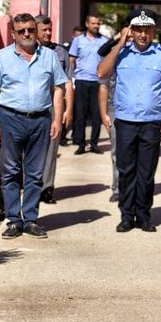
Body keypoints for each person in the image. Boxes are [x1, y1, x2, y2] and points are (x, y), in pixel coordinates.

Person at [0, 13, 68, 239]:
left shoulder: (49, 56)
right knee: (10, 171)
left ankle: (30, 219)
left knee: (35, 173)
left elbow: (59, 88)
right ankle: (13, 220)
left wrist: (57, 119)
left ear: (35, 30)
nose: (27, 34)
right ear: (13, 34)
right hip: (10, 119)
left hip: (41, 120)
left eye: (31, 29)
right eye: (21, 31)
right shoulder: (0, 57)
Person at [97, 8, 161, 232]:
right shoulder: (120, 53)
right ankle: (126, 215)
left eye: (147, 30)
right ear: (131, 30)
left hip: (152, 122)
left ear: (153, 31)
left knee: (146, 172)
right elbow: (102, 73)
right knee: (126, 171)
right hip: (125, 122)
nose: (142, 34)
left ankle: (143, 216)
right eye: (138, 29)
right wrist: (120, 43)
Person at [36, 14, 74, 204]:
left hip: (54, 107)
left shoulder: (60, 52)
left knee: (51, 149)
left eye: (50, 29)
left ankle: (46, 189)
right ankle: (31, 185)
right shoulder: (27, 51)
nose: (49, 33)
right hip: (33, 106)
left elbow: (68, 83)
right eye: (45, 30)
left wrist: (69, 110)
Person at [69, 13, 108, 154]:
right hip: (81, 81)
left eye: (98, 24)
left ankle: (94, 143)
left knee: (97, 114)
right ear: (87, 24)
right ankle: (80, 143)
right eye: (93, 23)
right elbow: (72, 60)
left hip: (98, 82)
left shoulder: (105, 41)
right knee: (80, 113)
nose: (96, 26)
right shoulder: (78, 41)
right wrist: (71, 79)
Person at [98, 31, 124, 203]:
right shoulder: (113, 53)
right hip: (116, 109)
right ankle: (117, 188)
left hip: (135, 110)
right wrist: (104, 113)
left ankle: (133, 188)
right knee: (117, 152)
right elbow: (103, 84)